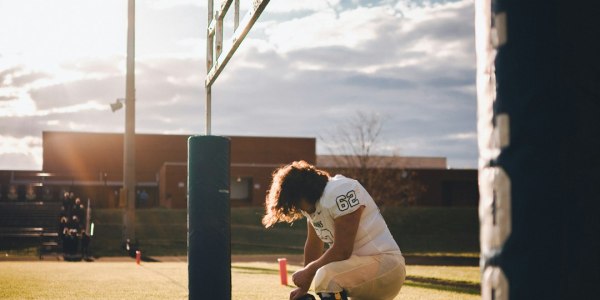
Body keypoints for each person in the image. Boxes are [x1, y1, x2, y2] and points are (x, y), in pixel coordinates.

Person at [263, 161, 406, 300]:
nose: (298, 209)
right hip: (361, 271)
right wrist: (304, 287)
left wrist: (309, 271)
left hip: (386, 267)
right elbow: (313, 245)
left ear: (303, 192)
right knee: (326, 276)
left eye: (296, 202)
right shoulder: (315, 205)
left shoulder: (340, 190)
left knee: (327, 276)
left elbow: (342, 250)